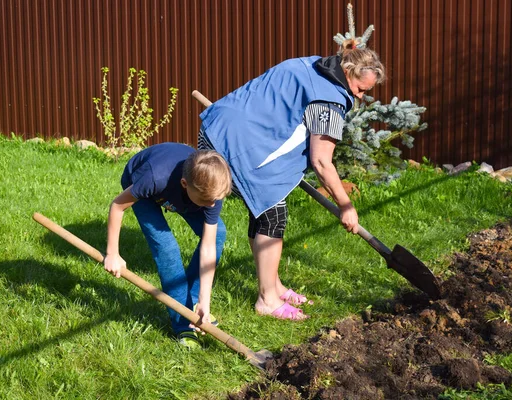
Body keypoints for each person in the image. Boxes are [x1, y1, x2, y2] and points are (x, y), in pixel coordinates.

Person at [198, 39, 386, 320]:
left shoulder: (308, 64)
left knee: (264, 208)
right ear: (348, 73)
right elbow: (321, 161)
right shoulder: (330, 102)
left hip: (217, 128)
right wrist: (346, 205)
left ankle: (273, 284)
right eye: (361, 89)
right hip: (240, 152)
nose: (360, 97)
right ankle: (267, 300)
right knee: (272, 216)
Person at [103, 143, 231, 347]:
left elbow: (208, 247)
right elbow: (117, 206)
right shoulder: (153, 178)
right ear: (184, 184)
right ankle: (182, 322)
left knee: (217, 235)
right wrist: (112, 253)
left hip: (182, 192)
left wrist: (204, 300)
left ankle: (192, 304)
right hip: (142, 185)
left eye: (215, 201)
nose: (213, 206)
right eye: (207, 201)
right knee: (167, 248)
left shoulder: (212, 193)